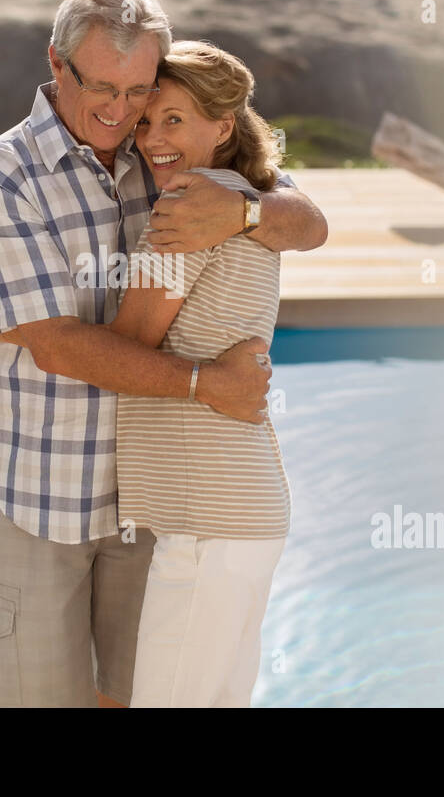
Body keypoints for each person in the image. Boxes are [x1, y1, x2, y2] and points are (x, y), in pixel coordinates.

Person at [0, 0, 327, 708]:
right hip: (48, 497)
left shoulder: (173, 162)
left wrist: (248, 214)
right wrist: (204, 383)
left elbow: (310, 221)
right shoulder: (6, 174)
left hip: (154, 509)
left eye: (140, 93)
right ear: (56, 65)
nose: (123, 112)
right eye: (104, 88)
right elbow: (60, 344)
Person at [107, 40, 290, 706]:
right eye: (147, 122)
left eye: (175, 120)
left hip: (205, 522)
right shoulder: (249, 198)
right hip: (242, 512)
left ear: (223, 126)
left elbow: (125, 349)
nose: (154, 138)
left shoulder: (185, 208)